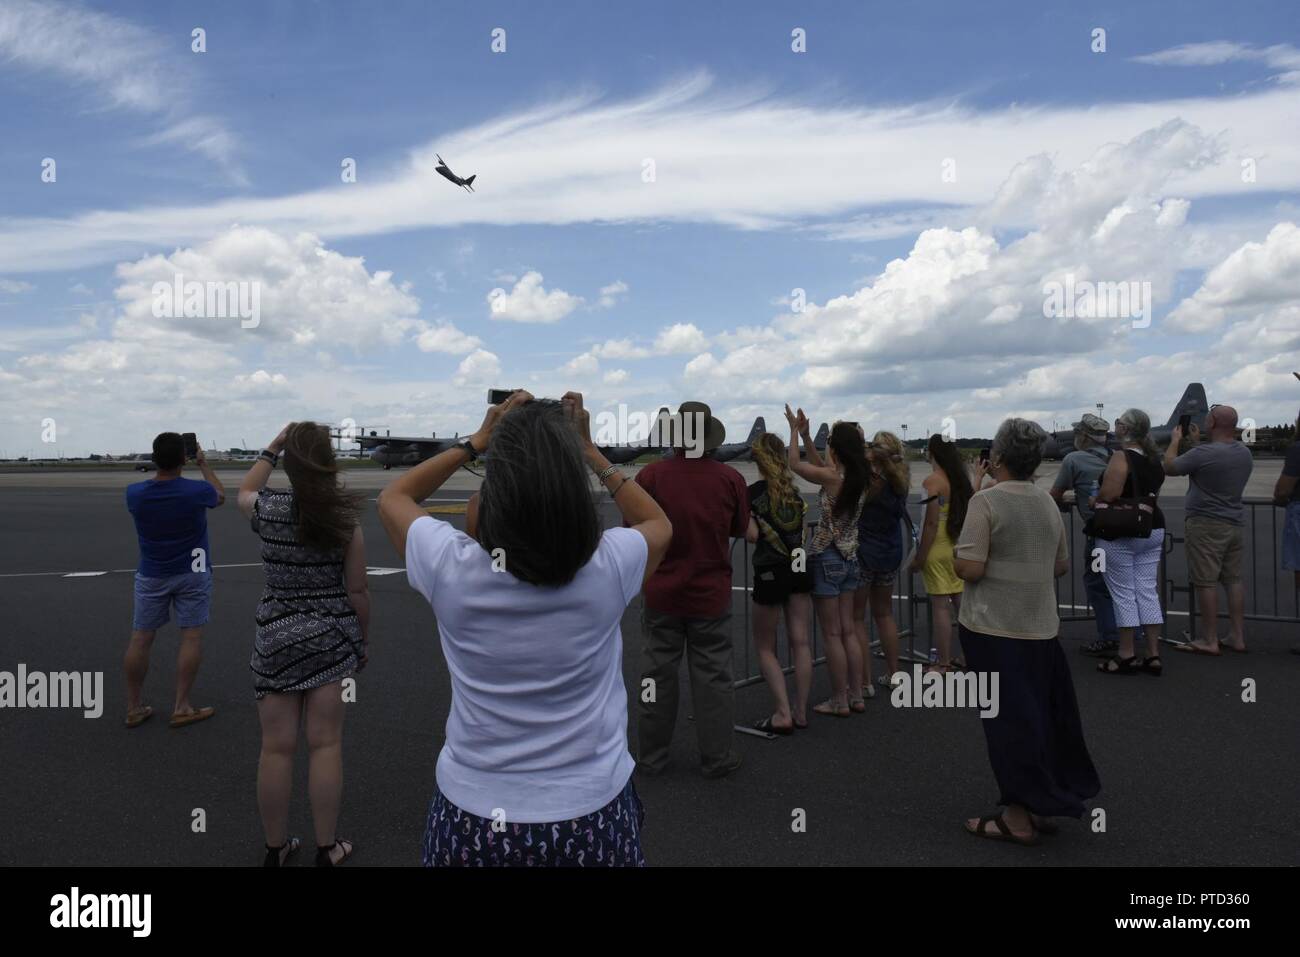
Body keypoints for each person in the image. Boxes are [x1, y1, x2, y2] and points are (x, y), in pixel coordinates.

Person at [379, 391, 672, 866]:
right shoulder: (610, 567)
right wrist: (590, 452)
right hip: (591, 810)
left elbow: (396, 496)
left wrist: (476, 441)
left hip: (471, 812)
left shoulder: (451, 570)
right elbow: (656, 520)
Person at [954, 418, 1100, 845]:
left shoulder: (985, 502)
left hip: (994, 628)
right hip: (1040, 628)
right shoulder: (1046, 502)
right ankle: (1042, 800)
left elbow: (971, 567)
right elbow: (1060, 565)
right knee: (1043, 717)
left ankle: (1016, 816)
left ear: (996, 458)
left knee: (1006, 723)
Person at [238, 423, 368, 867]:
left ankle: (275, 850)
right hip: (329, 641)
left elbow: (244, 491)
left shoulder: (268, 509)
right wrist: (361, 642)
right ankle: (327, 847)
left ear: (289, 464)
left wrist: (272, 446)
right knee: (325, 744)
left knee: (275, 747)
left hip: (275, 637)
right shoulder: (343, 517)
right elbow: (357, 592)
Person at [634, 400, 748, 778]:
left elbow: (633, 529)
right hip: (710, 594)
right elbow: (737, 527)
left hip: (662, 592)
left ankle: (651, 757)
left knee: (656, 675)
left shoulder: (650, 477)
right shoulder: (730, 479)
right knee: (714, 678)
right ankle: (717, 756)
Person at [123, 431, 225, 730]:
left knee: (141, 638)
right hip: (193, 571)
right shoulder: (195, 492)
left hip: (152, 573)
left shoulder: (135, 493)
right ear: (184, 458)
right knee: (191, 637)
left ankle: (133, 706)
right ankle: (182, 706)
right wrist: (204, 465)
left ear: (154, 459)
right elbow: (219, 495)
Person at [788, 409, 870, 717]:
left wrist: (794, 431)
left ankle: (838, 699)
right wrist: (809, 436)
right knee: (848, 631)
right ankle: (856, 693)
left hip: (828, 556)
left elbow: (795, 464)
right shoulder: (858, 475)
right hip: (851, 556)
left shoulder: (832, 477)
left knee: (832, 634)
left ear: (836, 448)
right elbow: (821, 465)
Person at [1163, 404, 1254, 655]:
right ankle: (1237, 636)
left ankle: (1209, 639)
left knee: (1206, 582)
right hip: (1234, 522)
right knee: (1233, 580)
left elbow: (1169, 467)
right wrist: (1194, 443)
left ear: (1212, 423)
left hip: (1206, 524)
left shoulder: (1203, 453)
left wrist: (1175, 441)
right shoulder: (1243, 453)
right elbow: (1208, 460)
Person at [745, 432, 812, 734]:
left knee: (765, 646)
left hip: (770, 571)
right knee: (800, 641)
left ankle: (782, 712)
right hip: (798, 568)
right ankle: (800, 710)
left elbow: (751, 535)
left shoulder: (753, 493)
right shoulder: (794, 494)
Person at [1093, 410, 1167, 676]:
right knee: (1147, 589)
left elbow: (1110, 493)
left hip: (1121, 530)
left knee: (1123, 592)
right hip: (1152, 527)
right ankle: (1153, 653)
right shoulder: (1153, 459)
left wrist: (1096, 499)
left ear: (1124, 429)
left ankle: (1126, 654)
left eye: (1118, 423)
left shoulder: (1121, 457)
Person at [1049, 412, 1118, 658]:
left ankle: (1110, 637)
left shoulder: (1074, 459)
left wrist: (1070, 499)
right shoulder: (1117, 457)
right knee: (1123, 584)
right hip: (1126, 531)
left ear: (1083, 436)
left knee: (1097, 583)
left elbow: (1054, 494)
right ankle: (1135, 632)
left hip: (1099, 535)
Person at [910, 434, 974, 675]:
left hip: (937, 549)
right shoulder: (959, 480)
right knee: (962, 605)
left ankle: (943, 662)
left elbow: (930, 523)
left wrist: (920, 557)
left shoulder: (931, 482)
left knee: (940, 609)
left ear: (932, 453)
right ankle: (970, 654)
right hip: (956, 546)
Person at [854, 430, 910, 696]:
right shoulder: (901, 479)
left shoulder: (871, 480)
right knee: (884, 614)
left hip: (865, 552)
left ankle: (864, 682)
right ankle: (894, 672)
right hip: (891, 551)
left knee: (857, 619)